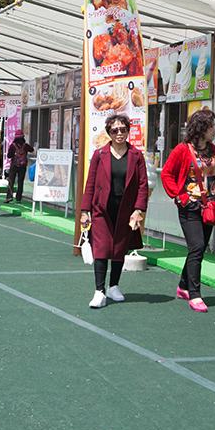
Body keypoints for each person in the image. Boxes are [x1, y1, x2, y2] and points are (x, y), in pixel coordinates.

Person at [80, 115, 148, 308]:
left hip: (125, 210)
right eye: (114, 130)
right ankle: (99, 291)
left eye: (123, 129)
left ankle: (114, 286)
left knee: (119, 249)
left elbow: (143, 185)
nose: (119, 133)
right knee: (101, 250)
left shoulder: (136, 156)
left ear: (128, 130)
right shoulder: (99, 154)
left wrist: (138, 210)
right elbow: (90, 184)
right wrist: (85, 211)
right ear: (108, 132)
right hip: (101, 209)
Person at [160, 109, 215, 313]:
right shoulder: (182, 149)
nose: (214, 130)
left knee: (199, 248)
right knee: (196, 247)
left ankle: (183, 285)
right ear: (202, 129)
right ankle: (195, 295)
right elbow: (167, 173)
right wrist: (179, 196)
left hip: (210, 207)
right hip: (190, 207)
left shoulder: (212, 149)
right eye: (211, 126)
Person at [5, 129, 33, 204]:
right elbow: (32, 150)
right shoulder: (25, 145)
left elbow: (9, 156)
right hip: (22, 166)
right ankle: (18, 198)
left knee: (11, 181)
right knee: (20, 182)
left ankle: (9, 197)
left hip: (14, 165)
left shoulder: (13, 146)